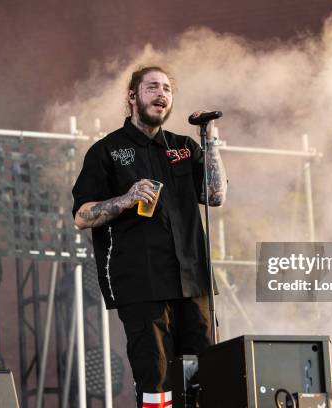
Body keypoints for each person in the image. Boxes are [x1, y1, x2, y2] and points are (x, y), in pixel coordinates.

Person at [71, 65, 227, 407]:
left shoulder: (185, 146)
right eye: (153, 87)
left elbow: (214, 196)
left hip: (193, 281)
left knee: (207, 374)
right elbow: (82, 216)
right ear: (132, 97)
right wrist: (125, 199)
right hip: (142, 284)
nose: (162, 94)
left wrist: (210, 137)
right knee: (156, 377)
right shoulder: (107, 151)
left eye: (168, 89)